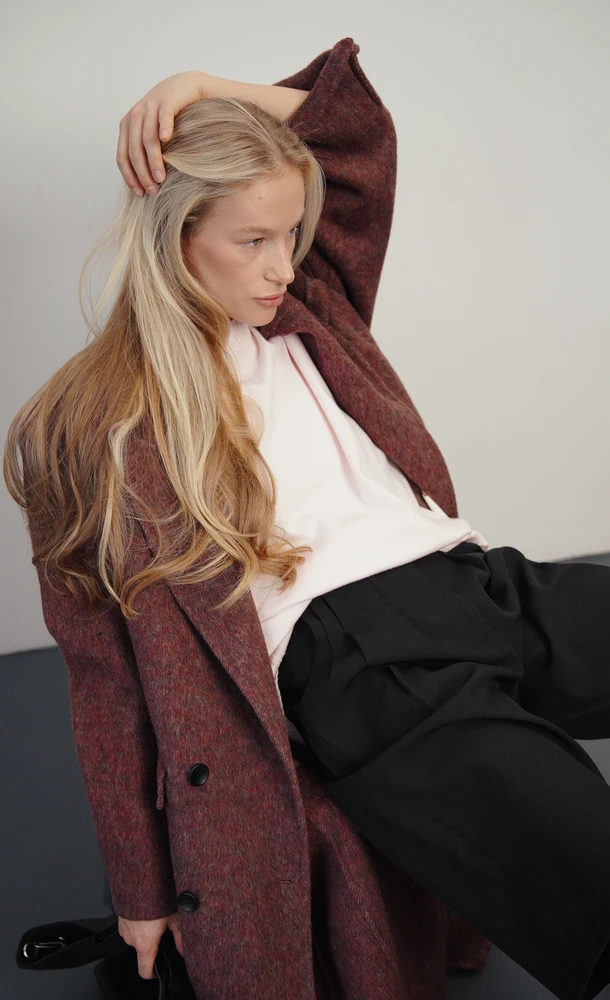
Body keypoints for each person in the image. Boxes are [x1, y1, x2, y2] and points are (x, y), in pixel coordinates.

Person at [5, 37, 610, 1000]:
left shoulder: (312, 305)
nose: (281, 265)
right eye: (251, 240)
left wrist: (201, 86)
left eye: (291, 233)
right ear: (172, 236)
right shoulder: (90, 423)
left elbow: (357, 132)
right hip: (356, 659)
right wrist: (141, 891)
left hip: (471, 581)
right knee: (583, 856)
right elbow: (103, 678)